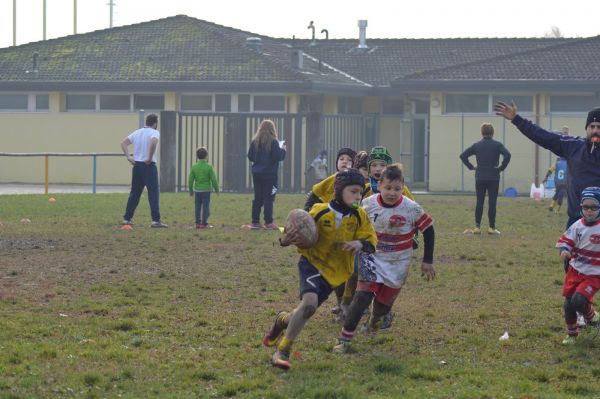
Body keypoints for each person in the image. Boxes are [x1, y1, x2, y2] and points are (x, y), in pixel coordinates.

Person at [262, 169, 377, 370]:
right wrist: (285, 240)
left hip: (335, 274)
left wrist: (360, 243)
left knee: (306, 310)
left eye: (361, 193)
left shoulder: (360, 216)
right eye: (354, 191)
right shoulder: (319, 210)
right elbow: (294, 232)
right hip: (312, 263)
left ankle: (282, 320)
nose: (358, 197)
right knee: (309, 304)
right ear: (339, 190)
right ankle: (282, 350)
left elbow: (371, 240)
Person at [333, 164, 435, 353]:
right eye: (388, 188)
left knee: (381, 307)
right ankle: (344, 339)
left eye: (397, 189)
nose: (392, 193)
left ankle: (376, 319)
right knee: (362, 296)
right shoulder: (368, 204)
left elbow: (428, 230)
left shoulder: (411, 208)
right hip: (371, 257)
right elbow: (352, 222)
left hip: (398, 263)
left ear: (403, 187)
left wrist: (427, 260)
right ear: (379, 185)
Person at [495, 102, 600, 229]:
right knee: (567, 249)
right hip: (577, 221)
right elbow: (544, 137)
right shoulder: (573, 146)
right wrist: (517, 120)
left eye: (599, 127)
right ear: (586, 128)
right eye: (592, 126)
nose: (595, 131)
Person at [556, 187, 600, 344]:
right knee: (568, 304)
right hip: (575, 271)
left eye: (594, 207)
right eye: (585, 207)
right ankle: (572, 335)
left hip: (594, 274)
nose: (589, 211)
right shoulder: (577, 226)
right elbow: (565, 242)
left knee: (579, 300)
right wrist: (564, 251)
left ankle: (593, 318)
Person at [459, 123, 511, 235]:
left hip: (480, 176)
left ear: (482, 133)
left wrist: (471, 167)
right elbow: (508, 155)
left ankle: (477, 227)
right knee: (492, 202)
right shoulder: (497, 145)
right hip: (493, 177)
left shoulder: (477, 145)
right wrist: (501, 168)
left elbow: (463, 155)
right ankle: (491, 228)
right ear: (492, 132)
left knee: (480, 202)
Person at [121, 113, 167, 228]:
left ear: (146, 122)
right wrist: (150, 157)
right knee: (153, 193)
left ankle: (127, 218)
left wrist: (128, 157)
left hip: (137, 166)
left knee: (135, 193)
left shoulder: (137, 132)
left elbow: (123, 143)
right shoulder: (154, 132)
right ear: (155, 123)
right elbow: (154, 142)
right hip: (149, 166)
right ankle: (155, 220)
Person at [245, 120, 286, 230]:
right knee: (269, 198)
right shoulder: (274, 142)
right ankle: (268, 222)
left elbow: (250, 156)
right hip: (270, 175)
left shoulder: (255, 141)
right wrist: (283, 150)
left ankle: (255, 222)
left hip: (257, 174)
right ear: (273, 129)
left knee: (258, 197)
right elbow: (277, 157)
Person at [188, 146, 219, 229]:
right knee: (206, 206)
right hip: (206, 190)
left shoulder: (194, 167)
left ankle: (198, 223)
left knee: (197, 206)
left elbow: (190, 180)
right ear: (206, 156)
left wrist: (191, 191)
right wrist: (217, 190)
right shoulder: (209, 167)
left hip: (197, 190)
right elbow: (214, 180)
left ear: (197, 156)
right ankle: (204, 223)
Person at [542, 127, 570, 213]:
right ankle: (557, 210)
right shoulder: (568, 162)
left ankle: (551, 205)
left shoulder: (558, 161)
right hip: (565, 181)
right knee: (561, 194)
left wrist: (546, 177)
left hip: (557, 181)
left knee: (558, 192)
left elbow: (551, 169)